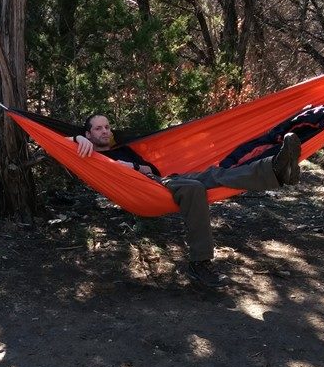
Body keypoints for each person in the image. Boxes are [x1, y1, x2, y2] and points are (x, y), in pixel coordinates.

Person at [71, 114, 302, 288]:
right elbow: (55, 140)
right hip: (146, 190)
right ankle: (200, 263)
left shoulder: (123, 149)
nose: (104, 131)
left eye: (107, 127)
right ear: (89, 134)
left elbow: (151, 168)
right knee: (195, 188)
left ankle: (274, 169)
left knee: (215, 174)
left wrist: (131, 166)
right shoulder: (89, 152)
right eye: (98, 128)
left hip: (160, 180)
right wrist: (77, 137)